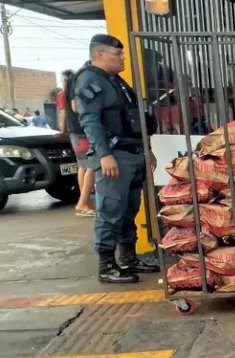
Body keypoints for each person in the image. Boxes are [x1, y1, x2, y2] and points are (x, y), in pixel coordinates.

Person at [74, 34, 158, 284]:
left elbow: (133, 119)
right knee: (110, 210)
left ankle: (129, 259)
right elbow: (90, 120)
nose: (122, 58)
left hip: (132, 153)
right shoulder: (89, 79)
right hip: (115, 155)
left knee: (129, 209)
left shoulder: (115, 80)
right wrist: (104, 155)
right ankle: (107, 266)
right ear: (100, 54)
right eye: (117, 53)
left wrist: (147, 149)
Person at [62, 68, 96, 216]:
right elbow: (76, 106)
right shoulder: (80, 80)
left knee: (83, 166)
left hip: (74, 130)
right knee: (92, 165)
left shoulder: (70, 83)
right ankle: (83, 202)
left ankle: (85, 202)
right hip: (82, 130)